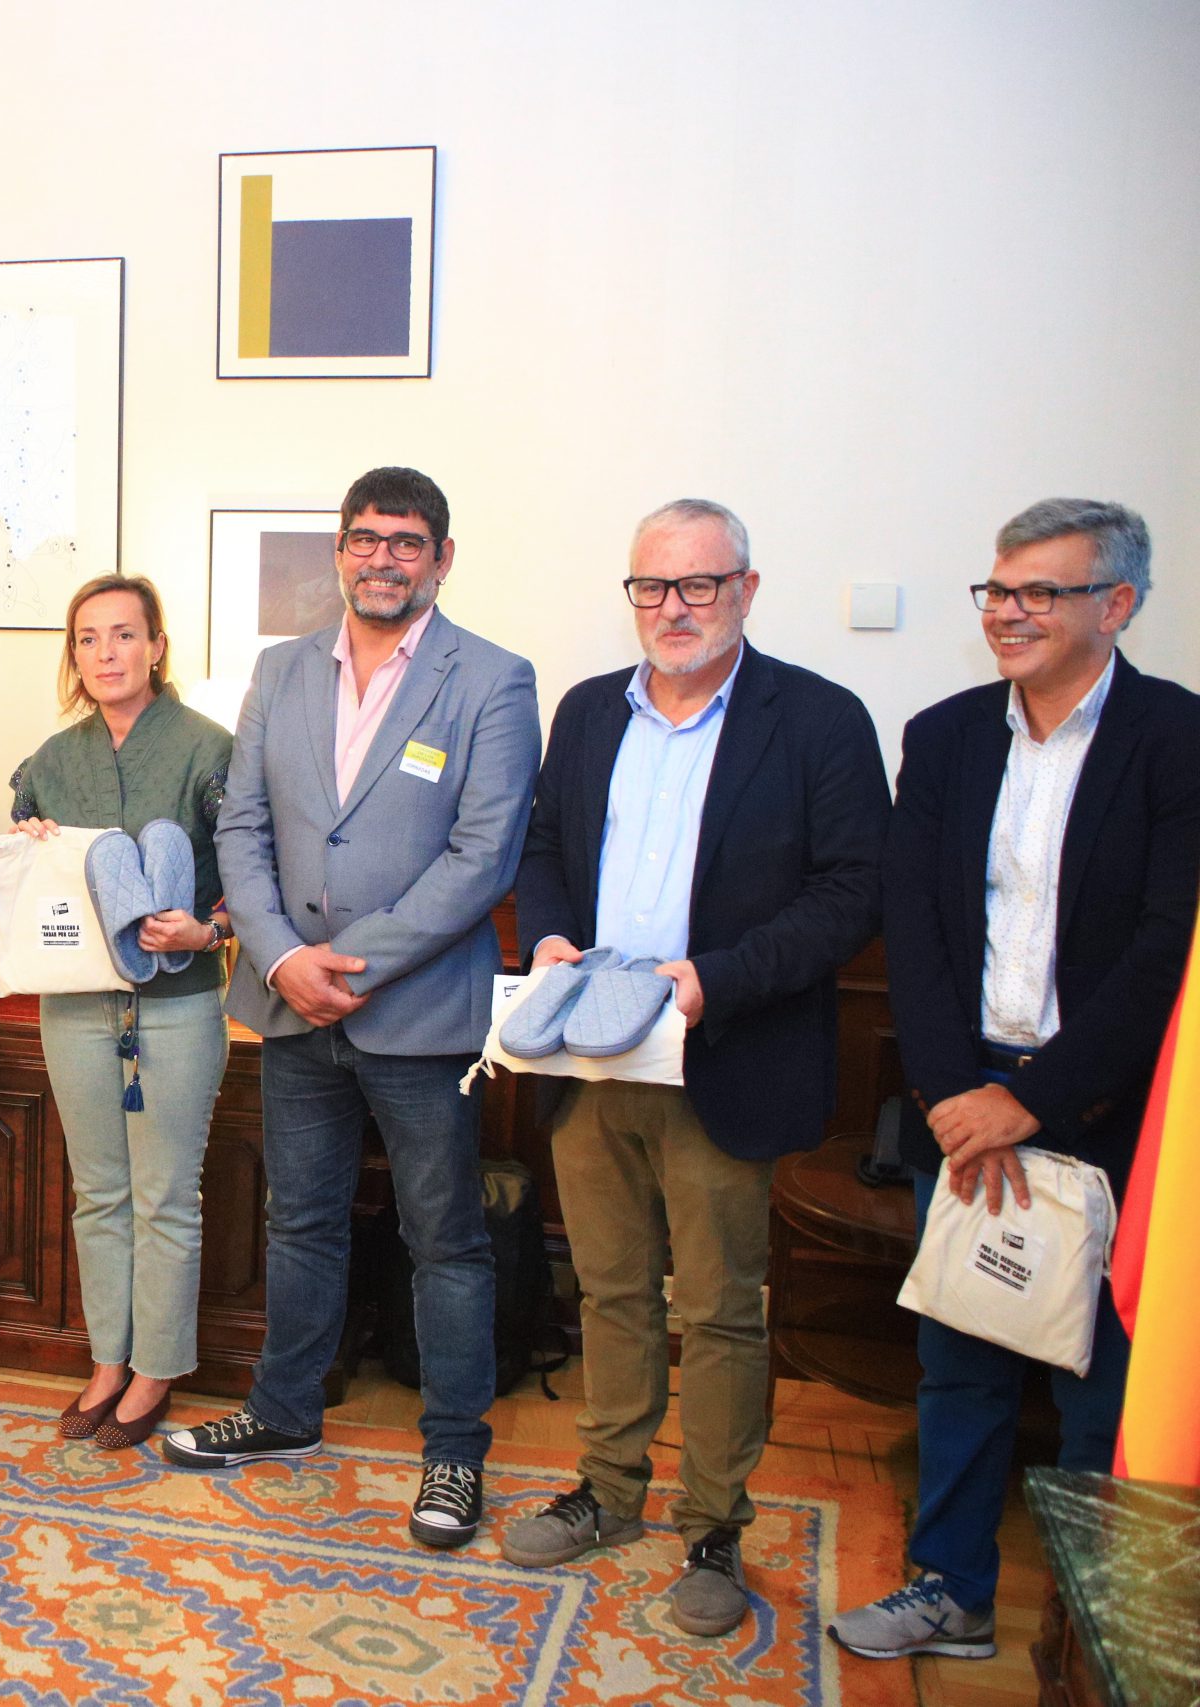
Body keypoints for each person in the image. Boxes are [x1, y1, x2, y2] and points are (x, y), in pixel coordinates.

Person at [504, 500, 889, 1636]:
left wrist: (713, 980)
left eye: (698, 585)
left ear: (745, 590)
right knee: (610, 1291)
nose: (672, 608)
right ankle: (608, 1488)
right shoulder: (588, 711)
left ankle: (714, 1525)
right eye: (651, 587)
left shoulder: (817, 719)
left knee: (718, 1310)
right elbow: (543, 845)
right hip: (591, 1058)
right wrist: (551, 937)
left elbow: (852, 891)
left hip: (726, 1055)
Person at [832, 499, 1200, 1662]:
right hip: (960, 1090)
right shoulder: (943, 737)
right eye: (997, 589)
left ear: (1116, 604)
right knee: (962, 1355)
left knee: (1100, 1372)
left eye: (1040, 591)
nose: (1008, 612)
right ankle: (950, 1588)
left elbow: (1166, 948)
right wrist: (954, 1094)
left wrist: (1033, 1101)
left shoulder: (1174, 738)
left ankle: (1091, 1630)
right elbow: (913, 926)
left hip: (1113, 1104)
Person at [162, 466, 540, 1555]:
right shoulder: (281, 670)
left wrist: (349, 965)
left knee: (445, 1240)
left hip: (417, 1014)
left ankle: (454, 1453)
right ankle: (284, 1410)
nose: (383, 559)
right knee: (300, 1221)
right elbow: (241, 827)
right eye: (365, 539)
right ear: (338, 551)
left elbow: (483, 857)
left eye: (406, 542)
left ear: (442, 559)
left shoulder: (493, 679)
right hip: (292, 1009)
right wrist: (284, 959)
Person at [9, 574, 233, 1450]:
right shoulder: (51, 762)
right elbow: (17, 876)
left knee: (166, 1195)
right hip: (74, 1005)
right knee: (98, 1192)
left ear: (156, 646)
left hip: (178, 1004)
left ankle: (155, 1370)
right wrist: (27, 849)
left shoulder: (210, 748)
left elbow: (253, 877)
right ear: (74, 655)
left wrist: (208, 930)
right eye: (88, 638)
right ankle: (107, 1361)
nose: (106, 653)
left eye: (124, 634)